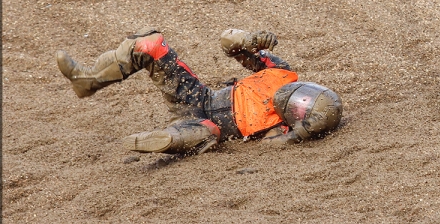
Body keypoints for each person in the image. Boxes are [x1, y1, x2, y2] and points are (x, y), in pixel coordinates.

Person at [56, 28, 342, 155]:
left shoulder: (280, 131)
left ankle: (160, 140)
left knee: (206, 133)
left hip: (209, 124)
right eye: (301, 101)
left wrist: (298, 136)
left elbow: (276, 144)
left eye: (299, 113)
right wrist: (249, 39)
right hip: (199, 97)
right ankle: (88, 79)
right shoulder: (280, 71)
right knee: (150, 43)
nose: (294, 106)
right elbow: (227, 41)